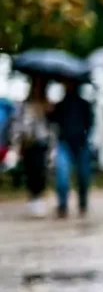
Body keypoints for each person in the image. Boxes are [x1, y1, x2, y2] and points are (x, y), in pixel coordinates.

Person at [49, 78, 94, 217]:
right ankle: (62, 205)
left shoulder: (84, 104)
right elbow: (52, 121)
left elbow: (90, 124)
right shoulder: (60, 105)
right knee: (62, 176)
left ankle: (82, 203)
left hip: (81, 144)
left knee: (83, 176)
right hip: (64, 143)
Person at [12, 78, 53, 217]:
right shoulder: (24, 105)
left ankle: (38, 197)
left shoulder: (47, 105)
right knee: (30, 171)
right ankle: (33, 197)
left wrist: (46, 110)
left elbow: (51, 126)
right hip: (28, 143)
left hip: (41, 142)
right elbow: (17, 123)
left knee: (40, 170)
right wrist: (19, 140)